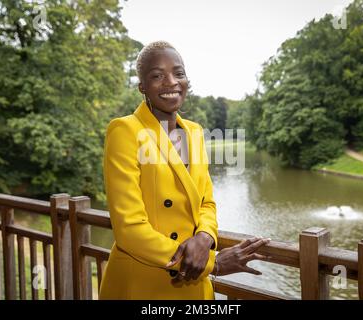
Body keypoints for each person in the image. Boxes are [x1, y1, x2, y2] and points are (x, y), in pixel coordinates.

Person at [99, 41, 270, 300]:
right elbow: (128, 229)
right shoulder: (125, 131)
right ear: (142, 86)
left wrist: (204, 236)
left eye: (178, 73)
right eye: (157, 75)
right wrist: (214, 263)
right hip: (144, 284)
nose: (171, 82)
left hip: (194, 287)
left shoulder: (195, 132)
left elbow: (207, 202)